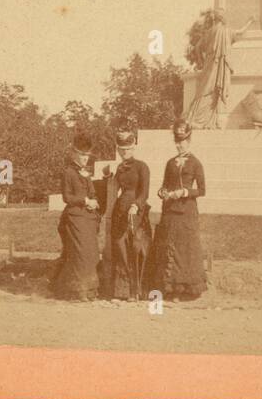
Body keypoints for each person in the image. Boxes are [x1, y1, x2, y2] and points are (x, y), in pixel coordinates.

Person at [148, 119, 208, 301]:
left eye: (182, 142)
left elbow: (202, 190)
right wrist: (163, 193)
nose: (179, 145)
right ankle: (170, 288)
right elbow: (164, 185)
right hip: (170, 211)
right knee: (169, 247)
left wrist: (185, 192)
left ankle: (186, 289)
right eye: (177, 142)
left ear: (189, 141)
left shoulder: (196, 163)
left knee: (185, 249)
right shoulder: (170, 163)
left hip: (187, 212)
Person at [105, 127, 152, 300]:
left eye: (128, 149)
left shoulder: (142, 167)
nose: (125, 152)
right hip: (120, 210)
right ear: (118, 150)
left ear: (134, 148)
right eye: (121, 149)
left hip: (136, 212)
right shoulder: (119, 168)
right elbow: (115, 187)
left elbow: (144, 192)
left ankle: (138, 290)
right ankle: (123, 290)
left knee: (136, 248)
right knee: (119, 246)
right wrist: (108, 179)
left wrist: (136, 205)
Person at [53, 132, 101, 300]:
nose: (85, 159)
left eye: (87, 155)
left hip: (88, 218)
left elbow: (93, 193)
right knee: (80, 253)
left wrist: (94, 200)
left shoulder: (85, 173)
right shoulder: (68, 173)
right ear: (73, 153)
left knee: (91, 252)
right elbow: (67, 197)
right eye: (82, 155)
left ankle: (89, 290)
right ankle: (77, 291)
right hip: (74, 217)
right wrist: (86, 200)